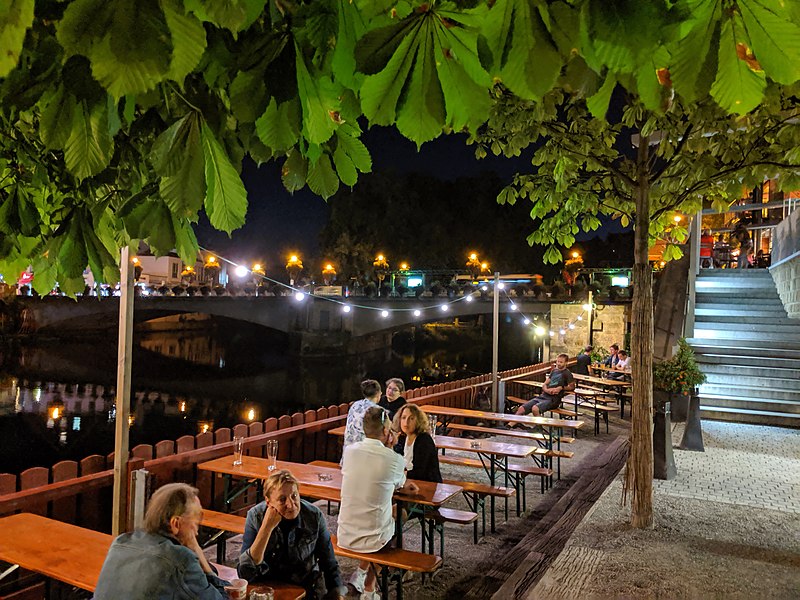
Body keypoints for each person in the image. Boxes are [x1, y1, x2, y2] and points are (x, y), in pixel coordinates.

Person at [94, 483, 228, 600]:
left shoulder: (121, 541)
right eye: (196, 519)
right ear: (176, 523)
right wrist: (196, 550)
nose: (197, 529)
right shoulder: (181, 559)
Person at [338, 406, 418, 600]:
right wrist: (390, 448)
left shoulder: (349, 452)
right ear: (385, 431)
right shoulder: (393, 459)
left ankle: (361, 573)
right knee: (400, 514)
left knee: (378, 514)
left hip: (345, 533)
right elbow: (400, 482)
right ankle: (369, 589)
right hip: (374, 540)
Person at [237, 470, 346, 600]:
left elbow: (329, 564)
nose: (290, 504)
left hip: (306, 588)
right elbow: (245, 573)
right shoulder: (255, 516)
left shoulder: (313, 516)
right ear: (268, 502)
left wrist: (338, 594)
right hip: (269, 589)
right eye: (282, 500)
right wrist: (266, 528)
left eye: (294, 496)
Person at [513, 353, 575, 418]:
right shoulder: (554, 371)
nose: (558, 363)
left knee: (535, 409)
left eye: (561, 362)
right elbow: (545, 384)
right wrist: (546, 390)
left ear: (566, 363)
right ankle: (510, 425)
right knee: (521, 409)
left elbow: (572, 387)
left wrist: (561, 388)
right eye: (558, 361)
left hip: (553, 399)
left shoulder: (567, 373)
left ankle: (539, 427)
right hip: (544, 395)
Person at [393, 403, 442, 483]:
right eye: (403, 418)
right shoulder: (402, 438)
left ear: (418, 421)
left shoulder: (424, 440)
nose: (406, 422)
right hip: (406, 480)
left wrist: (400, 474)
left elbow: (421, 472)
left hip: (427, 482)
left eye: (411, 418)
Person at [342, 379, 382, 455]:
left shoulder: (355, 405)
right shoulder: (377, 410)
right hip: (365, 456)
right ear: (378, 394)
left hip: (347, 457)